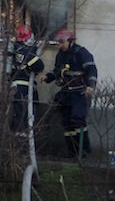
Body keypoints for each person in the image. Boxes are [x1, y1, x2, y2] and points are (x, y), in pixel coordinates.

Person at [39, 29, 97, 158]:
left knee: (78, 120)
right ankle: (72, 152)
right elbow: (57, 72)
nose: (59, 45)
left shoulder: (81, 53)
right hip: (66, 94)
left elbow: (92, 69)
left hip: (79, 94)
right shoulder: (61, 55)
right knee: (67, 123)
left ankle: (83, 151)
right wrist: (48, 77)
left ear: (70, 41)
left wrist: (91, 86)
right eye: (58, 43)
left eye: (62, 42)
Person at [7, 25, 44, 134]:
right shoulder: (27, 51)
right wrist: (35, 50)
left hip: (14, 85)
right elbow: (39, 66)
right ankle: (22, 138)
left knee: (17, 113)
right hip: (25, 87)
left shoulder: (14, 48)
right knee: (25, 114)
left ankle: (15, 139)